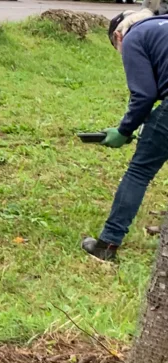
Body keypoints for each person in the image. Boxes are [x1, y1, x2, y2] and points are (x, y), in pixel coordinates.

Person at [81, 10, 167, 261]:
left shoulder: (132, 37)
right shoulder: (161, 27)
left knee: (139, 172)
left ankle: (107, 244)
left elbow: (145, 94)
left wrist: (124, 130)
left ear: (118, 36)